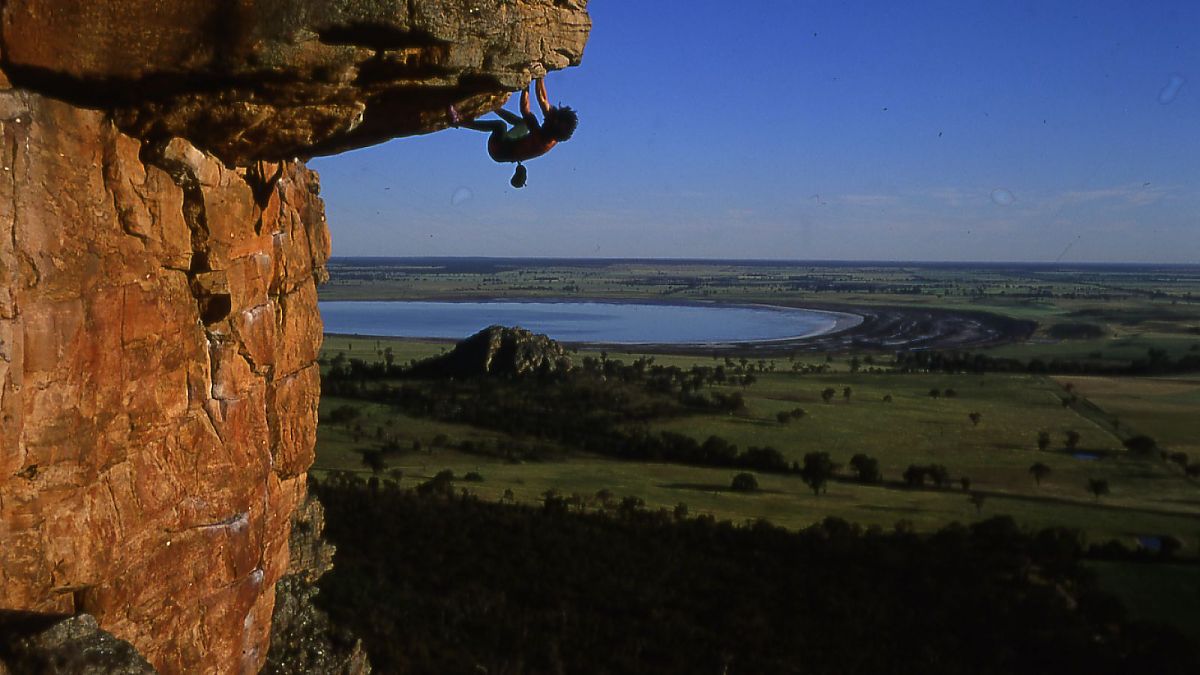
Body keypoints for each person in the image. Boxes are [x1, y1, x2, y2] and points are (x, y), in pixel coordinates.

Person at [449, 77, 577, 188]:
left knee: (500, 126)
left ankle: (459, 121)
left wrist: (526, 85)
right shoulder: (553, 126)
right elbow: (543, 99)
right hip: (511, 142)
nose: (548, 118)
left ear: (552, 127)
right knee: (523, 124)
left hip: (499, 151)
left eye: (552, 120)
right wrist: (540, 76)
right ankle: (495, 108)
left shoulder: (542, 140)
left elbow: (525, 109)